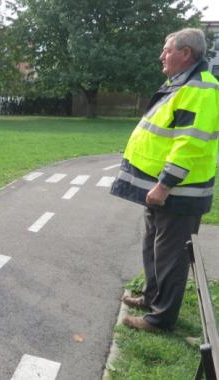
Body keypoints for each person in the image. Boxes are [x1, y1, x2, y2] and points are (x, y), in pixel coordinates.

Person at [110, 28, 219, 332]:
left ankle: (160, 319)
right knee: (154, 248)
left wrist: (164, 185)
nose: (161, 55)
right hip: (160, 189)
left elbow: (190, 144)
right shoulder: (181, 84)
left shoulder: (199, 89)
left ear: (186, 53)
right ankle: (150, 297)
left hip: (178, 192)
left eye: (167, 49)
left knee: (171, 258)